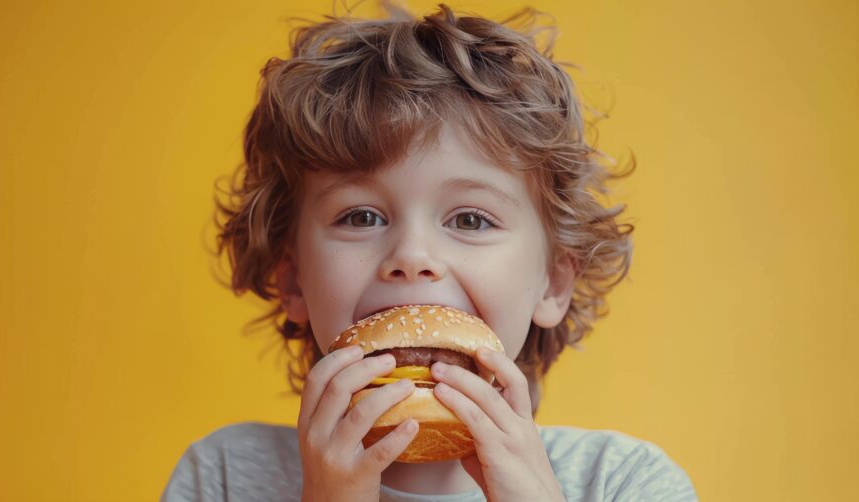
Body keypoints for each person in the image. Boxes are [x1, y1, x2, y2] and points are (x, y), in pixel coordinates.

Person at [162, 2, 697, 500]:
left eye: (469, 219)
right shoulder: (224, 476)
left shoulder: (622, 480)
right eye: (361, 216)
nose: (412, 256)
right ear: (294, 280)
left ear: (553, 283)